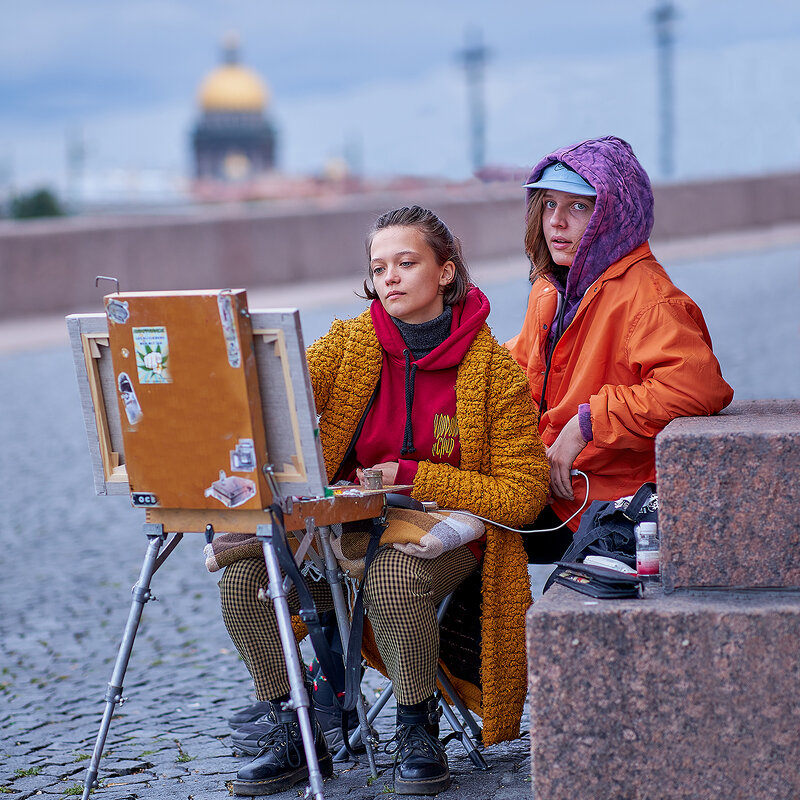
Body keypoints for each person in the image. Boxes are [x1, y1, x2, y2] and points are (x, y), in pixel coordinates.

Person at [219, 205, 549, 796]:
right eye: (379, 267)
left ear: (446, 272)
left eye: (406, 262)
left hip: (443, 538)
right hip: (341, 532)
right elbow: (275, 401)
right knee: (245, 570)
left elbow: (523, 494)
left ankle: (416, 727)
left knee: (394, 572)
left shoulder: (494, 368)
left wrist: (416, 476)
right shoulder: (346, 346)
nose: (389, 277)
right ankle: (292, 726)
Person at [505, 136, 734, 562]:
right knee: (447, 527)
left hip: (610, 502)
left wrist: (586, 424)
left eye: (579, 207)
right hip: (550, 485)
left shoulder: (649, 298)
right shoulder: (551, 288)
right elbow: (521, 365)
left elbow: (696, 387)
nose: (556, 222)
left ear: (612, 216)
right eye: (549, 204)